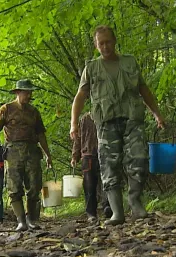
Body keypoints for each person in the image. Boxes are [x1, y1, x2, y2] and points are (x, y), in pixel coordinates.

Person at [70, 26, 165, 226]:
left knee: (139, 158)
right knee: (108, 165)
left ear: (115, 41)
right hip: (106, 123)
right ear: (96, 46)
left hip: (132, 120)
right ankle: (117, 211)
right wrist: (74, 124)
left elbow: (143, 89)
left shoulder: (129, 62)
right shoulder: (92, 68)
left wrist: (156, 114)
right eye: (101, 43)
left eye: (108, 42)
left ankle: (135, 202)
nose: (105, 46)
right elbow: (80, 96)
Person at [0, 79, 53, 232]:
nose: (29, 95)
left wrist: (47, 154)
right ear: (18, 92)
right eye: (26, 92)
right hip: (13, 151)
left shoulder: (34, 112)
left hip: (32, 150)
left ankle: (31, 219)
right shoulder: (6, 109)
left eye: (30, 92)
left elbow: (41, 134)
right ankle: (21, 221)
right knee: (14, 187)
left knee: (34, 185)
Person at [71, 112, 111, 223]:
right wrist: (75, 156)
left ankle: (107, 206)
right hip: (88, 154)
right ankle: (91, 213)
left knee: (107, 181)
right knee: (89, 185)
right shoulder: (84, 119)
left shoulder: (107, 115)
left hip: (105, 153)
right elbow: (77, 138)